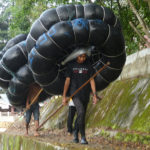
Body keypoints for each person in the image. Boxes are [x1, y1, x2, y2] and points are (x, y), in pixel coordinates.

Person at [62, 52, 98, 144]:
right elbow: (67, 81)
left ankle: (75, 133)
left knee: (81, 115)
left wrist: (94, 95)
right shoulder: (71, 66)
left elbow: (92, 80)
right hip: (75, 94)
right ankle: (83, 137)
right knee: (80, 112)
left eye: (84, 57)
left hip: (85, 95)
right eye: (81, 56)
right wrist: (64, 96)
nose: (83, 59)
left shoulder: (89, 65)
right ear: (77, 55)